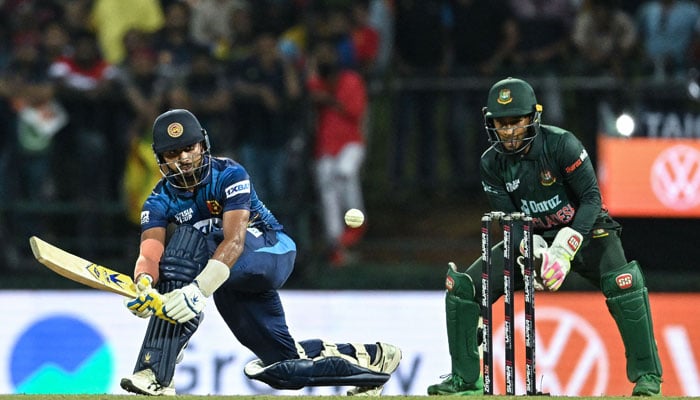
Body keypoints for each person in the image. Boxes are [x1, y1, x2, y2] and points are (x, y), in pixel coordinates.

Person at [119, 109, 401, 396]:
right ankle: (374, 359)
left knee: (189, 242)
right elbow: (150, 253)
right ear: (161, 158)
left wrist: (196, 292)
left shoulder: (229, 173)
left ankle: (155, 371)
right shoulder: (158, 199)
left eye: (188, 148)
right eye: (173, 153)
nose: (184, 159)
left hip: (269, 251)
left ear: (202, 145)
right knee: (284, 366)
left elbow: (234, 242)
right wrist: (144, 283)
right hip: (226, 277)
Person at [427, 77, 663, 396]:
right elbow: (507, 219)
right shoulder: (490, 163)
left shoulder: (562, 145)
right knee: (463, 290)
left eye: (516, 122)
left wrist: (566, 248)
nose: (508, 132)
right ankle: (466, 379)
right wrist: (530, 246)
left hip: (587, 231)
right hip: (533, 239)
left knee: (625, 284)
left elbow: (592, 198)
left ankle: (647, 376)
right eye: (501, 123)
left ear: (533, 118)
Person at [307, 40, 368, 267]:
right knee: (326, 184)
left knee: (344, 172)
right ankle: (336, 241)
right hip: (325, 147)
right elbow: (309, 88)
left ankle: (357, 224)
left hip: (351, 143)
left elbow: (355, 111)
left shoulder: (351, 80)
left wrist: (329, 98)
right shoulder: (317, 82)